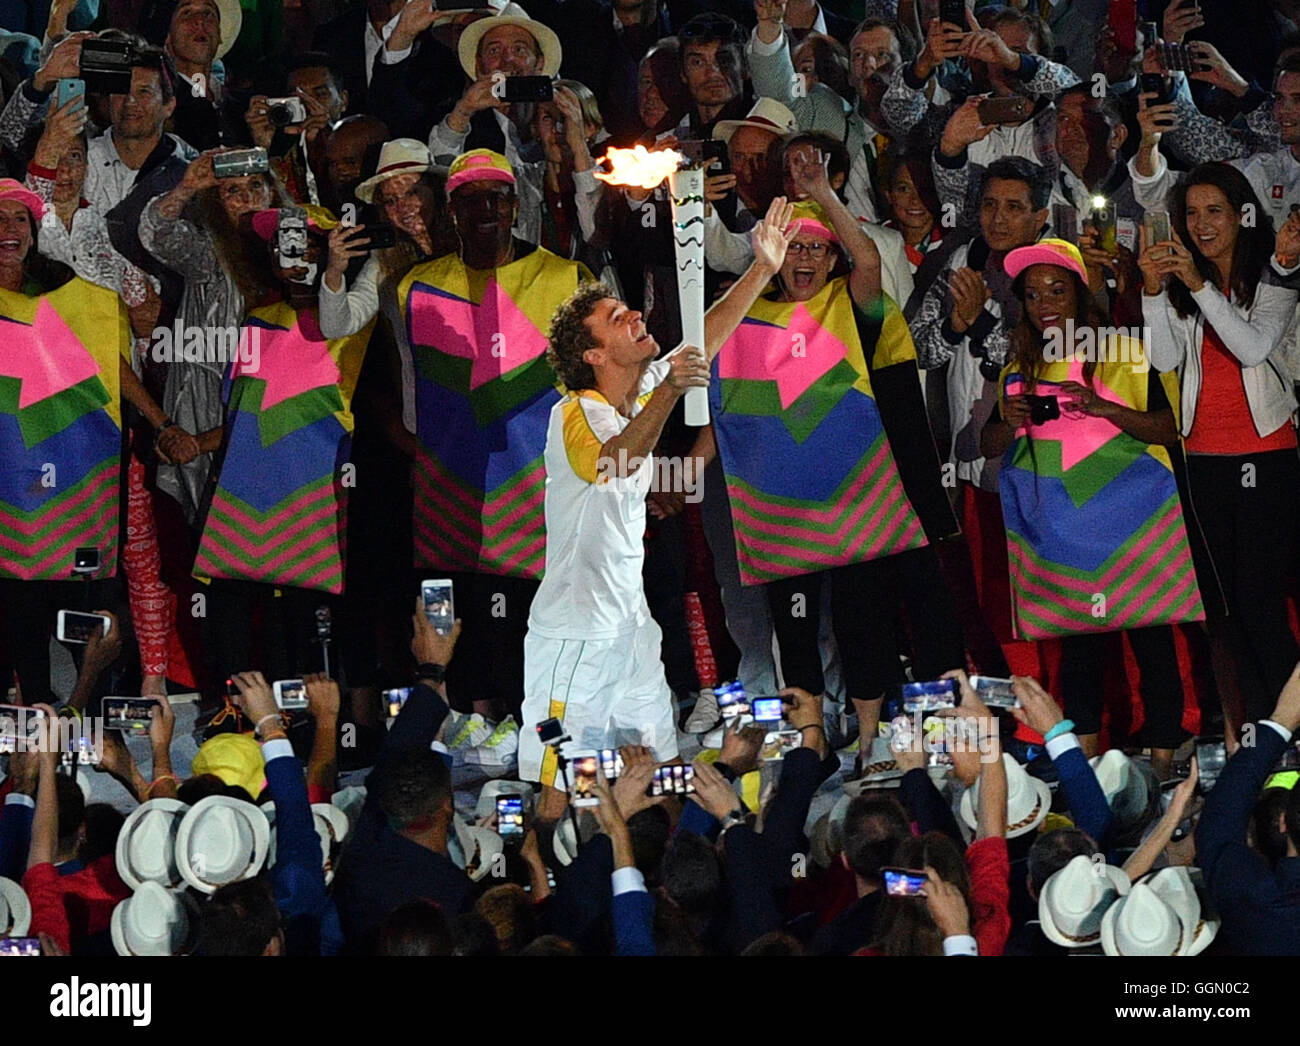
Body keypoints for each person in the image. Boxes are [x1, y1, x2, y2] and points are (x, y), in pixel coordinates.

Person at [519, 196, 796, 820]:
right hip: (573, 639)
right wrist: (669, 391)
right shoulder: (574, 414)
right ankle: (546, 886)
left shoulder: (640, 388)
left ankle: (675, 883)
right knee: (561, 791)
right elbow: (616, 460)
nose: (636, 313)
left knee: (660, 774)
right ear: (594, 356)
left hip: (631, 629)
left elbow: (707, 338)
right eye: (617, 317)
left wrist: (761, 269)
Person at [709, 158, 963, 754]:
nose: (804, 259)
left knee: (869, 619)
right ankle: (811, 739)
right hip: (783, 506)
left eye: (816, 250)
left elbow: (870, 262)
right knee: (792, 623)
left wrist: (823, 193)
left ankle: (898, 733)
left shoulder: (855, 306)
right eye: (792, 247)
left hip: (866, 498)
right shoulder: (747, 316)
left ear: (832, 259)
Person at [980, 238, 1202, 768]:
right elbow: (990, 446)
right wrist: (1006, 423)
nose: (1046, 304)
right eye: (1033, 295)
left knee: (1151, 642)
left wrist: (1103, 406)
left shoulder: (1123, 351)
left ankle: (1163, 763)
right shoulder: (1022, 362)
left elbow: (1168, 429)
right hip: (1066, 534)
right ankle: (1085, 767)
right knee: (1080, 653)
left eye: (1057, 290)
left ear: (1081, 294)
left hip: (1134, 525)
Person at [1139, 162, 1299, 729]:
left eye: (1214, 211)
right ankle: (1256, 733)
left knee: (1259, 605)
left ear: (1240, 214)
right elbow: (1161, 361)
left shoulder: (1275, 274)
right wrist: (1155, 291)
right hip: (1202, 460)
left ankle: (1287, 727)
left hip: (1266, 457)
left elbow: (1253, 347)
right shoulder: (1186, 285)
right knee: (1224, 614)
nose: (1202, 224)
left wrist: (1201, 286)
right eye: (1191, 213)